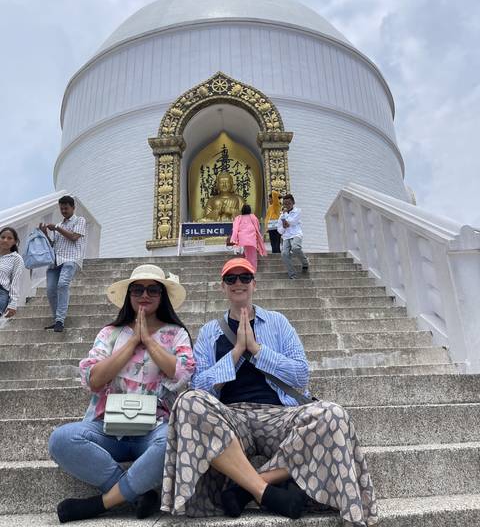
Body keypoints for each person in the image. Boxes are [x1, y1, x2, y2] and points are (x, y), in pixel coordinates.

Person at [161, 257, 378, 526]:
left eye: (244, 278)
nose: (238, 283)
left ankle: (246, 488)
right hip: (231, 417)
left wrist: (257, 350)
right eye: (231, 279)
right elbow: (200, 387)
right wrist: (237, 352)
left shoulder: (278, 323)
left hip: (279, 414)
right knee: (189, 402)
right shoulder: (209, 332)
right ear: (223, 287)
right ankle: (266, 492)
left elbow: (301, 374)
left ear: (254, 283)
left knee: (332, 414)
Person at [48, 264, 195, 524]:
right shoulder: (110, 333)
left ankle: (103, 503)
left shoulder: (175, 333)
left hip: (154, 427)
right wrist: (131, 343)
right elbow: (93, 380)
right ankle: (137, 494)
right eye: (137, 289)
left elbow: (182, 374)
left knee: (173, 441)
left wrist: (149, 341)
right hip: (108, 427)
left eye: (153, 290)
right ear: (129, 295)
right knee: (61, 439)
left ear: (163, 296)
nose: (144, 295)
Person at [39, 195, 86, 332]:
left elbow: (74, 237)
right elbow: (54, 244)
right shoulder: (59, 225)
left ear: (73, 207)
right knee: (50, 291)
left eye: (66, 208)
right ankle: (56, 319)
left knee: (63, 284)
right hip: (55, 261)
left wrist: (57, 229)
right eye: (61, 208)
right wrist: (45, 234)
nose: (64, 211)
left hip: (71, 259)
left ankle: (60, 320)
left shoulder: (80, 220)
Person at [277, 193, 309, 279]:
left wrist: (285, 216)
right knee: (284, 254)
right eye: (285, 203)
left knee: (295, 248)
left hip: (296, 234)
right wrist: (284, 226)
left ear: (293, 202)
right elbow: (279, 229)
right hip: (286, 236)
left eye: (289, 203)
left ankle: (305, 262)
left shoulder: (298, 211)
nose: (287, 205)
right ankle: (292, 274)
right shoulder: (281, 215)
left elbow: (292, 221)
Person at [230, 204, 266, 272]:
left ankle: (247, 268)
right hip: (251, 240)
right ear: (249, 210)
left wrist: (234, 238)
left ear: (242, 210)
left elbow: (235, 229)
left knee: (247, 254)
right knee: (252, 256)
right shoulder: (253, 217)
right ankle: (252, 269)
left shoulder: (238, 218)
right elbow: (257, 226)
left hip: (242, 239)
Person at [0, 227, 24, 318]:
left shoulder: (16, 259)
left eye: (9, 238)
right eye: (2, 237)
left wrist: (13, 303)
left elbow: (15, 282)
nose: (5, 240)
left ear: (14, 241)